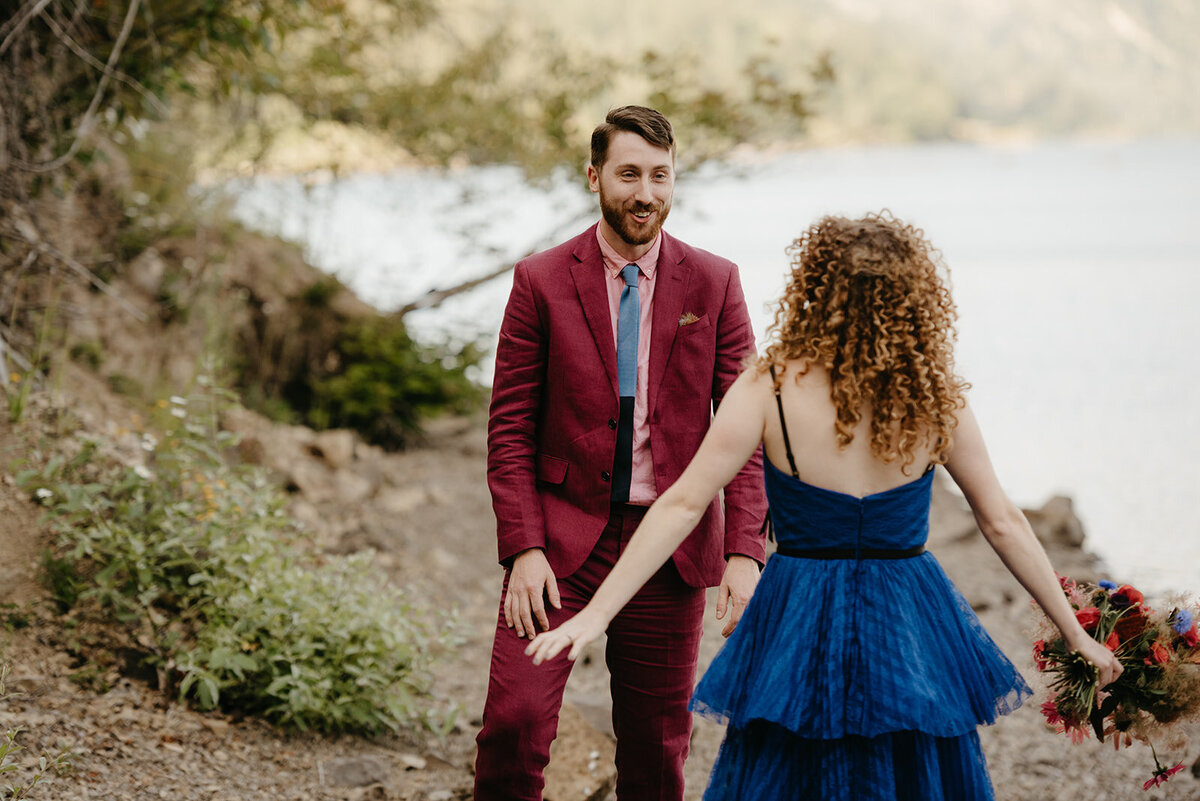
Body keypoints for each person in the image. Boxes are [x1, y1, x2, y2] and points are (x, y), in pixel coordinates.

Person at [526, 212, 1123, 800]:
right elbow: (1002, 522)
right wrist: (1076, 634)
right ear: (914, 297)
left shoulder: (771, 386)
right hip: (908, 617)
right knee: (910, 772)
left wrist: (596, 615)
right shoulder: (937, 397)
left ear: (817, 289)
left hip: (798, 613)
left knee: (788, 771)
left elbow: (682, 503)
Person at [474, 105, 769, 801]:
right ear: (594, 177)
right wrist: (523, 547)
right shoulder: (540, 280)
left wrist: (744, 549)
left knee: (658, 747)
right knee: (513, 723)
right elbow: (509, 427)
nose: (646, 192)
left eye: (660, 176)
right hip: (558, 543)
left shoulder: (715, 282)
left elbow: (745, 426)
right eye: (629, 173)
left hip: (671, 551)